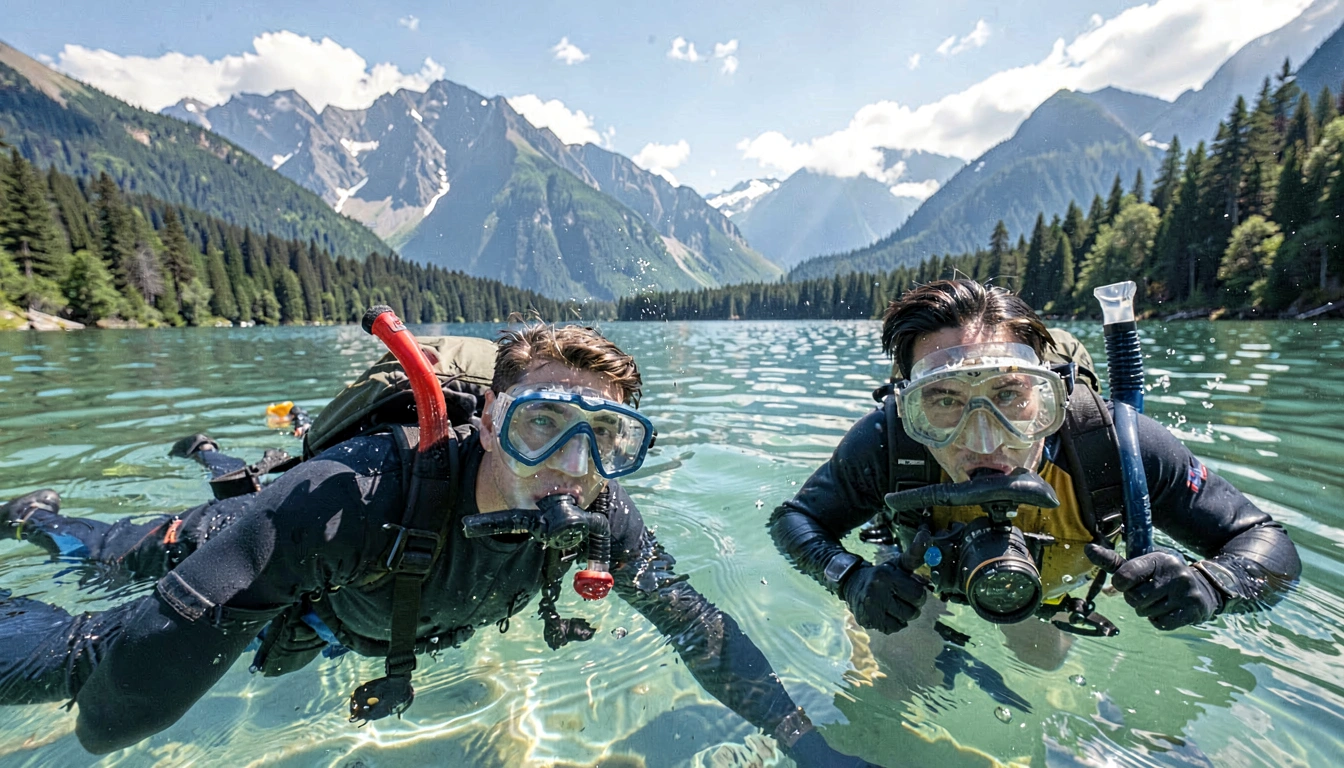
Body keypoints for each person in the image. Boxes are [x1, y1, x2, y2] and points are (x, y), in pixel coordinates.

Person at [0, 321, 877, 767]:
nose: (571, 468)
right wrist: (119, 710)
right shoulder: (356, 498)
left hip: (370, 612)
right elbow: (117, 718)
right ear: (490, 425)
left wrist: (803, 740)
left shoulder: (601, 514)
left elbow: (695, 625)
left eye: (605, 441)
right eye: (542, 425)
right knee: (98, 600)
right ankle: (38, 518)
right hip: (247, 540)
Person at [769, 279, 1300, 648]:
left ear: (1053, 398)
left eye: (1010, 394)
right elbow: (794, 519)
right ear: (908, 408)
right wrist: (852, 577)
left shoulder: (1112, 447)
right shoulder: (888, 442)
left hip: (1051, 594)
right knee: (901, 654)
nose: (983, 441)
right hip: (920, 579)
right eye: (945, 400)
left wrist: (1213, 585)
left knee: (1042, 657)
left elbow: (1269, 545)